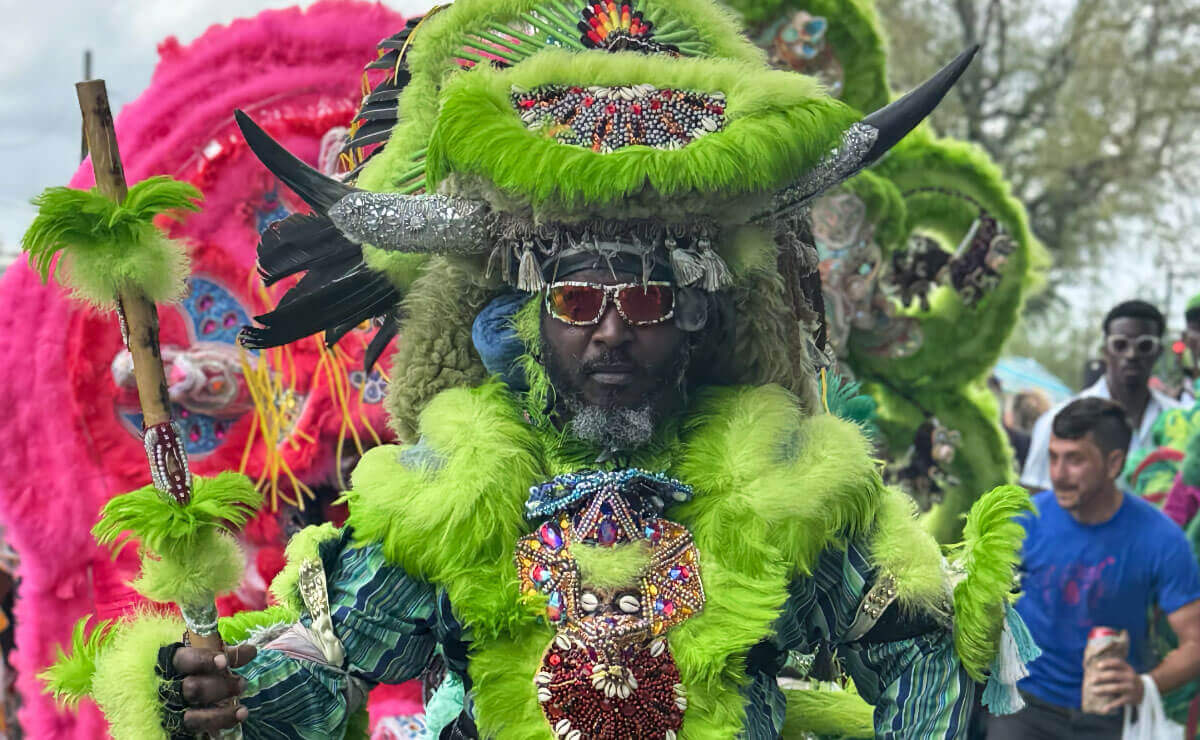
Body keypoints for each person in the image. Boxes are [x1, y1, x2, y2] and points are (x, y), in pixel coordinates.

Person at [37, 2, 1034, 738]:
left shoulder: (777, 480)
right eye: (574, 301)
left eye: (640, 300)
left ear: (690, 315)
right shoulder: (468, 488)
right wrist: (225, 691)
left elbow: (916, 644)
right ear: (531, 315)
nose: (608, 332)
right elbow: (328, 663)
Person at [990, 398, 1200, 739]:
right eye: (1054, 456)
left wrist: (1145, 685)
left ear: (1114, 463)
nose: (1057, 474)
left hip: (1107, 716)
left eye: (1075, 460)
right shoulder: (1025, 520)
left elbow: (1195, 642)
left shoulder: (1161, 539)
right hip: (1022, 707)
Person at [1022, 300, 1182, 491]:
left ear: (1158, 352)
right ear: (1105, 350)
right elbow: (1035, 499)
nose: (1131, 354)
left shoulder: (1180, 420)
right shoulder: (1057, 421)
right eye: (1120, 344)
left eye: (1144, 345)